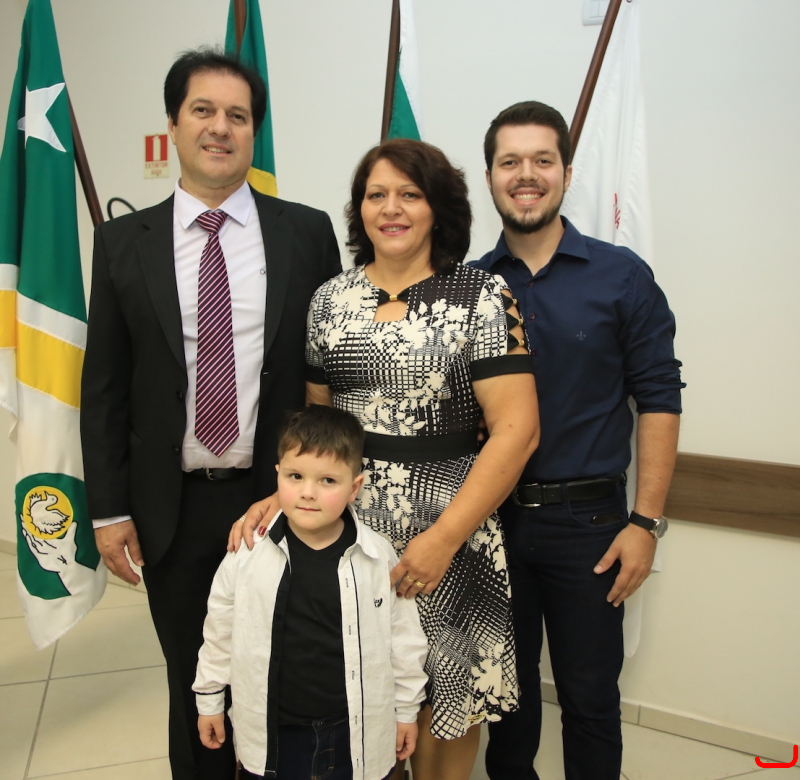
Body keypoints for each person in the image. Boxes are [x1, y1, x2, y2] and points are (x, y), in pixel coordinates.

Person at [236, 138, 540, 780]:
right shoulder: (329, 301)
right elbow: (317, 433)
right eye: (377, 195)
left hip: (454, 528)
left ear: (438, 209)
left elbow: (517, 432)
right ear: (360, 209)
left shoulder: (482, 295)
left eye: (410, 194)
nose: (391, 208)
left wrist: (443, 539)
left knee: (449, 699)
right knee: (362, 689)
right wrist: (280, 495)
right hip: (349, 530)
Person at [80, 48, 341, 780]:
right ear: (173, 125)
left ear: (254, 131)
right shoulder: (122, 243)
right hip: (173, 509)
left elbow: (327, 372)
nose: (220, 128)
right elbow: (105, 386)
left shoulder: (306, 233)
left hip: (282, 501)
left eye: (237, 115)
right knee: (195, 685)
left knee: (286, 677)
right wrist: (109, 510)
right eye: (203, 111)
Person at [472, 101, 684, 780]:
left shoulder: (621, 276)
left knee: (591, 703)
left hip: (590, 527)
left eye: (543, 160)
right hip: (492, 521)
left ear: (567, 173)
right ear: (489, 176)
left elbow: (659, 397)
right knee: (506, 708)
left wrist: (645, 523)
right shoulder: (469, 287)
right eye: (510, 161)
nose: (526, 174)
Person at [194, 405, 429, 780]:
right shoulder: (247, 553)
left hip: (357, 733)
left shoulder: (377, 556)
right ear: (278, 475)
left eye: (328, 481)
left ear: (354, 488)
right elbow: (219, 630)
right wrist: (209, 700)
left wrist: (406, 711)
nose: (307, 492)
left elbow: (404, 640)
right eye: (295, 476)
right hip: (274, 733)